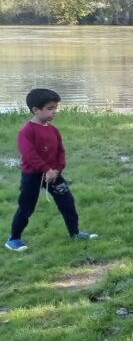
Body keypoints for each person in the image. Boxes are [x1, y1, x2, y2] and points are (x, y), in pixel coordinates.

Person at [5, 89, 97, 252]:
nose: (54, 111)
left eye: (55, 107)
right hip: (33, 175)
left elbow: (60, 151)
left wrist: (57, 170)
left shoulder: (53, 130)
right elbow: (29, 155)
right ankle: (14, 239)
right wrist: (46, 169)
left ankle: (74, 233)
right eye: (50, 108)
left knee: (68, 203)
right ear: (36, 110)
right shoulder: (27, 131)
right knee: (26, 207)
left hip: (54, 174)